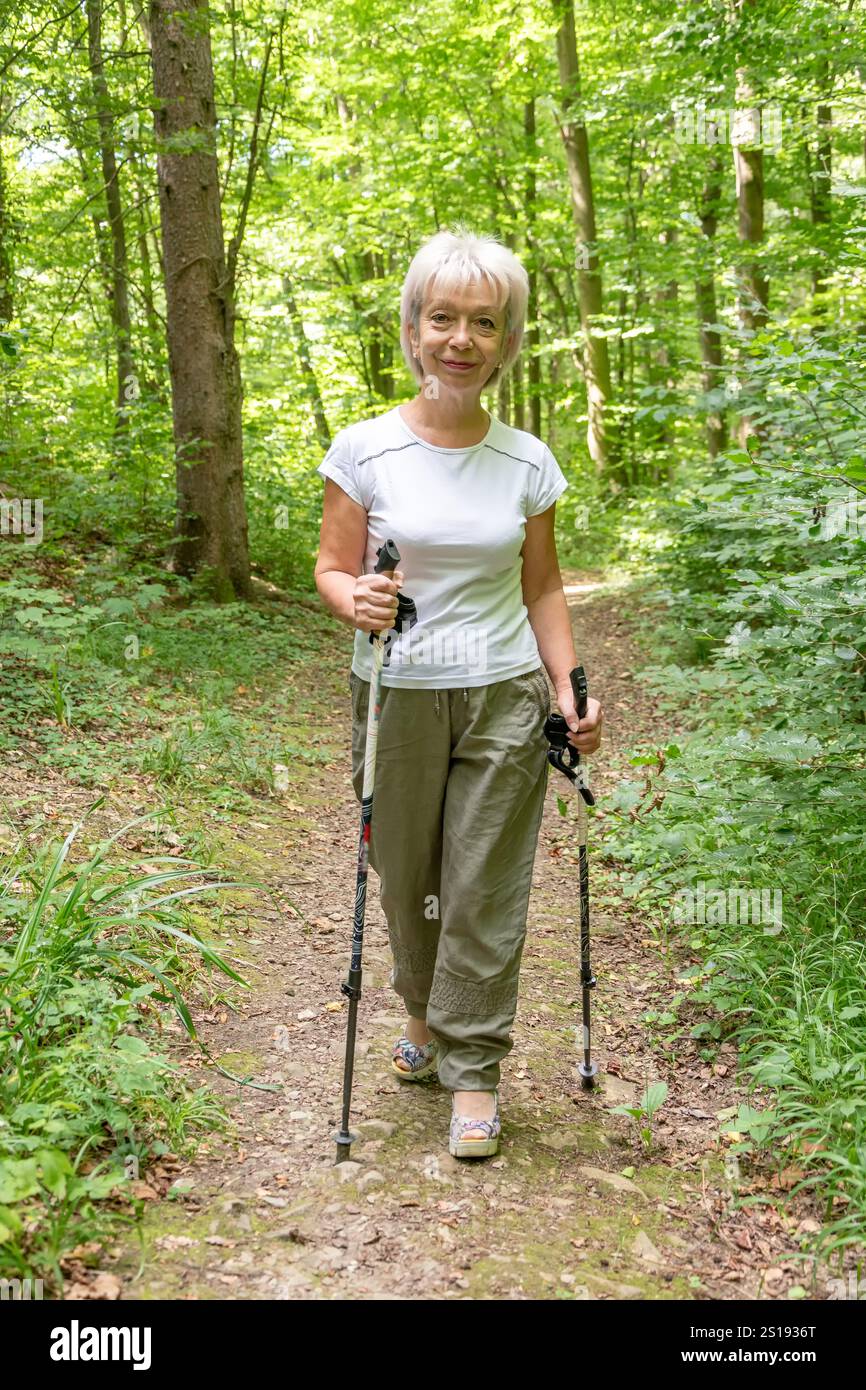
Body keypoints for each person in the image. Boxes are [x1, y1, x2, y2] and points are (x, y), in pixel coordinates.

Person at [314, 225, 603, 1159]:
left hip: (503, 695)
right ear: (412, 327)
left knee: (482, 885)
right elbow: (329, 567)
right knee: (410, 881)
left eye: (485, 322)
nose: (461, 340)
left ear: (508, 340)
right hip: (394, 693)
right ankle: (427, 1018)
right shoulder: (363, 449)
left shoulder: (528, 462)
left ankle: (473, 1067)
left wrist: (568, 688)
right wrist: (350, 596)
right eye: (443, 318)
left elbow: (543, 585)